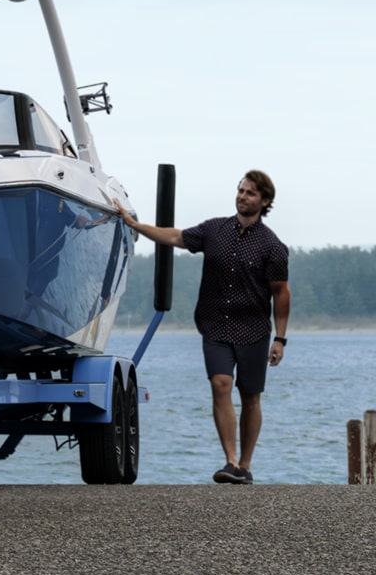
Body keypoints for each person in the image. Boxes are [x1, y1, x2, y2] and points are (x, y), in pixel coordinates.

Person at [113, 170, 290, 484]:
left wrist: (280, 338)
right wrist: (134, 224)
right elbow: (175, 237)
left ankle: (245, 465)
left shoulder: (273, 246)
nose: (242, 197)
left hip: (253, 330)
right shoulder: (214, 230)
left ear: (264, 201)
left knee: (250, 396)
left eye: (250, 193)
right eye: (240, 190)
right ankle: (231, 462)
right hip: (214, 325)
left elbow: (280, 292)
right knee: (220, 384)